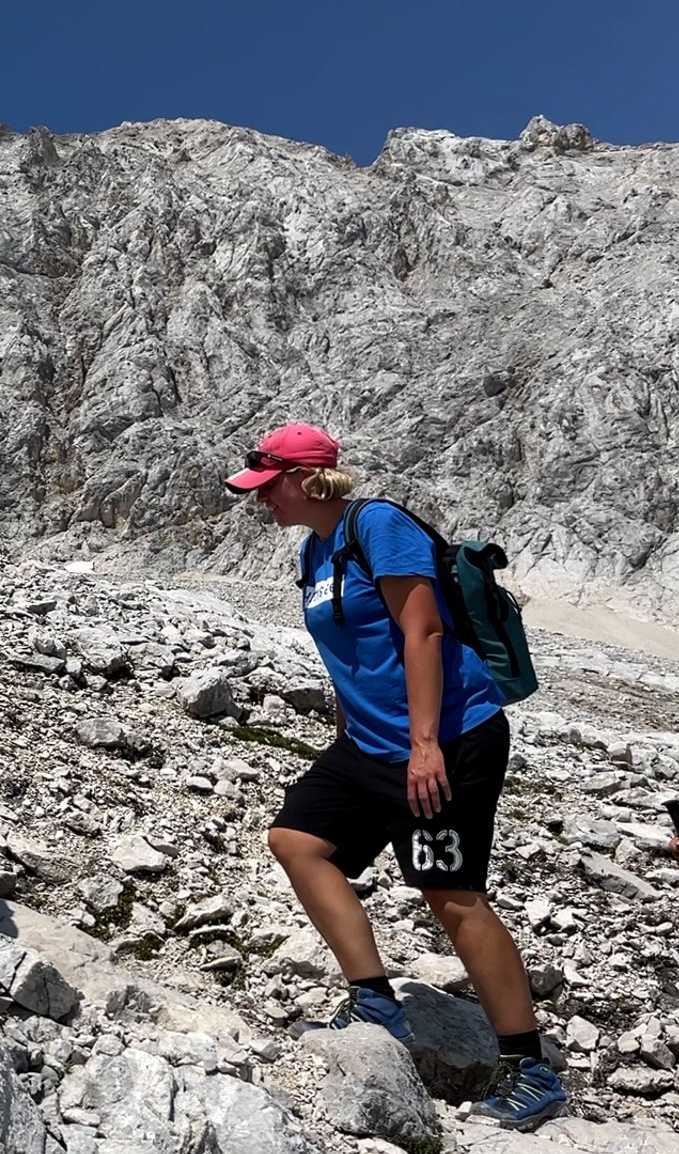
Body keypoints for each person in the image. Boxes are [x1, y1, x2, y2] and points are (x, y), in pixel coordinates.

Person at [225, 423, 566, 1132]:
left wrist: (423, 746)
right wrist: (353, 732)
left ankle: (529, 1067)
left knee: (452, 896)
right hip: (370, 744)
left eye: (268, 487)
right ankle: (374, 998)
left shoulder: (376, 526)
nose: (262, 503)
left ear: (305, 478)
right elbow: (356, 654)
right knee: (295, 840)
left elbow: (424, 633)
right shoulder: (318, 550)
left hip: (450, 737)